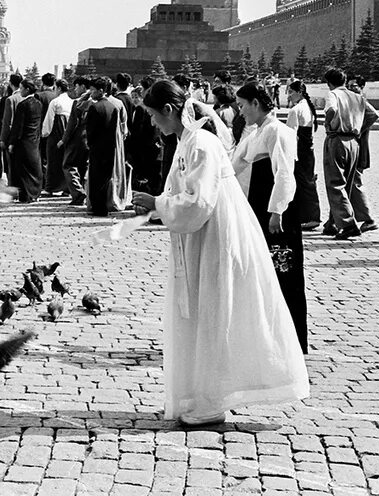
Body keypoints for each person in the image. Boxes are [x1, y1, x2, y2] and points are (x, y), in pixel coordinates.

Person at [130, 79, 309, 427]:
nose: (153, 124)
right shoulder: (188, 141)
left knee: (214, 310)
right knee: (201, 312)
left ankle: (210, 400)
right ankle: (198, 394)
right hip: (202, 238)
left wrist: (158, 203)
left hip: (215, 237)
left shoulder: (202, 143)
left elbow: (199, 202)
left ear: (168, 111)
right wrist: (164, 203)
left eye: (153, 116)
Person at [232, 82, 308, 352]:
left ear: (255, 103)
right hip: (260, 205)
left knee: (283, 270)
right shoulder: (257, 132)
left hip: (277, 210)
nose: (241, 112)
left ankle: (291, 339)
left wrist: (277, 211)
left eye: (242, 105)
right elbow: (235, 164)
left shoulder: (278, 130)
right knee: (265, 270)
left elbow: (284, 173)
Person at [321, 68, 373, 240]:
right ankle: (333, 223)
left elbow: (331, 110)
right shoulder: (357, 97)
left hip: (337, 139)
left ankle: (348, 224)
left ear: (329, 83)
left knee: (335, 183)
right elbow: (373, 115)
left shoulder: (333, 94)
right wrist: (358, 128)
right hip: (354, 142)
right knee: (348, 183)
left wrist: (328, 125)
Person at [85, 76, 130, 216]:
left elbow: (90, 130)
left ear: (100, 91)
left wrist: (90, 144)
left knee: (95, 178)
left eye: (92, 90)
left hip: (97, 148)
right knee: (105, 178)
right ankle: (104, 206)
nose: (91, 93)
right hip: (111, 148)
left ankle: (96, 207)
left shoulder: (94, 107)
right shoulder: (114, 106)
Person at [284, 80, 321, 230]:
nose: (288, 95)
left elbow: (290, 134)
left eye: (291, 92)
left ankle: (309, 216)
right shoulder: (308, 107)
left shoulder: (296, 110)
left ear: (299, 92)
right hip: (308, 150)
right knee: (308, 182)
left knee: (302, 184)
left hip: (299, 150)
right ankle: (310, 215)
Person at [8, 78, 44, 202]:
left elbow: (18, 126)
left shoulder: (23, 105)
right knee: (34, 168)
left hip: (22, 141)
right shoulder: (38, 104)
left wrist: (12, 142)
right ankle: (35, 194)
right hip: (34, 140)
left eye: (22, 88)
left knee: (23, 170)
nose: (20, 91)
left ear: (27, 89)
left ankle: (25, 195)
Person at [60, 77, 91, 206]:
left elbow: (72, 124)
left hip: (78, 138)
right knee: (83, 166)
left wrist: (63, 140)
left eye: (77, 86)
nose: (75, 89)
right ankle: (82, 192)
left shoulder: (79, 102)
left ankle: (78, 193)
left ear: (83, 87)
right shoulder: (96, 101)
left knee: (68, 165)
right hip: (90, 138)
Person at [41, 78, 72, 195]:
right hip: (67, 134)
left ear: (58, 88)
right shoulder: (72, 102)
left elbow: (49, 119)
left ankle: (50, 187)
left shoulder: (55, 102)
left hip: (56, 132)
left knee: (53, 161)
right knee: (65, 160)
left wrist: (45, 133)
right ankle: (67, 188)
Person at [0, 73, 24, 185]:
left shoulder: (10, 99)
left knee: (10, 164)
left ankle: (12, 186)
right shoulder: (27, 97)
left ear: (10, 83)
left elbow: (7, 122)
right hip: (24, 136)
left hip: (11, 137)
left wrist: (3, 139)